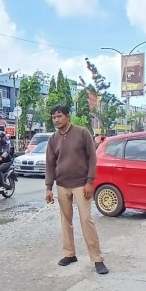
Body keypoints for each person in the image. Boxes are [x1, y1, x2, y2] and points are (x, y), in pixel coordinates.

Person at [44, 105, 108, 274]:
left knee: (86, 220)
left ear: (68, 117)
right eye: (54, 117)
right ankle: (69, 254)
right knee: (66, 221)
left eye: (59, 116)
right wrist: (48, 187)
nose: (56, 120)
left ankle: (97, 259)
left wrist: (90, 182)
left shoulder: (82, 132)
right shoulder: (53, 139)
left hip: (81, 184)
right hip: (62, 185)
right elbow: (50, 164)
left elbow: (92, 158)